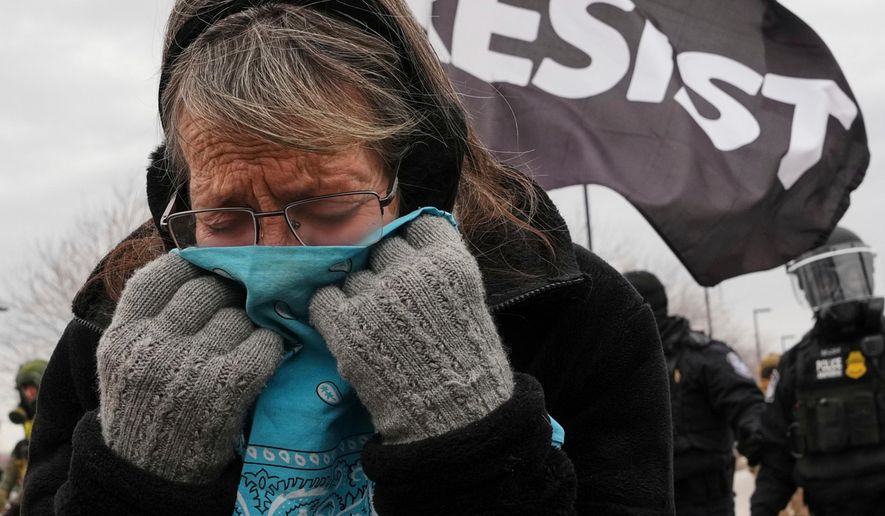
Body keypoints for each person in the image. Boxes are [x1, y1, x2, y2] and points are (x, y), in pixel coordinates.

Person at [22, 1, 674, 514]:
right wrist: (138, 477)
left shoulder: (577, 312)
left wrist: (465, 438)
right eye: (224, 217)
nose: (274, 251)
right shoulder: (106, 337)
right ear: (179, 200)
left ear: (413, 179)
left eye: (328, 209)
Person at [751, 227, 885, 516]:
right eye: (825, 281)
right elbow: (776, 454)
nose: (838, 290)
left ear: (867, 273)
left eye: (848, 276)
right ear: (808, 289)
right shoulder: (796, 365)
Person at [625, 271, 765, 516]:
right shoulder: (621, 363)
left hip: (706, 500)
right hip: (645, 500)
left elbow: (746, 404)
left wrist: (758, 440)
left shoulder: (702, 356)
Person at [0, 359, 47, 515]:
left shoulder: (54, 421)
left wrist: (17, 505)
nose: (28, 394)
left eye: (31, 388)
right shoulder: (29, 422)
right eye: (24, 389)